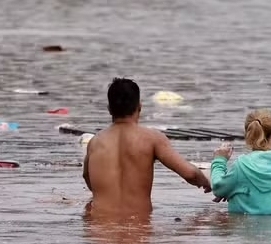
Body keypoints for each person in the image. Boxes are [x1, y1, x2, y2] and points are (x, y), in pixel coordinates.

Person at [83, 77, 211, 218]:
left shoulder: (95, 142)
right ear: (139, 106)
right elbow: (190, 174)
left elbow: (88, 178)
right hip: (138, 226)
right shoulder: (151, 138)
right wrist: (206, 181)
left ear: (109, 109)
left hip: (100, 229)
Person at [210, 109, 271, 215]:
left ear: (248, 135)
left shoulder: (241, 165)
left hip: (246, 229)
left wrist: (219, 161)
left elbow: (218, 188)